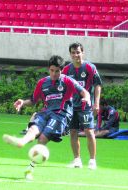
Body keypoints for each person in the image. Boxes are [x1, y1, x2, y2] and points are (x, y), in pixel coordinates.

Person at [3, 55, 91, 180]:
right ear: (48, 69)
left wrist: (86, 98)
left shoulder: (68, 81)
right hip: (45, 112)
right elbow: (33, 101)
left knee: (43, 138)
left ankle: (30, 169)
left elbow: (84, 92)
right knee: (33, 129)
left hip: (61, 114)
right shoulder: (42, 83)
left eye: (57, 71)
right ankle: (21, 142)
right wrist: (23, 102)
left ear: (62, 70)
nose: (54, 73)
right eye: (52, 70)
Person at [62, 42, 102, 170]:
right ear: (70, 54)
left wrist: (96, 103)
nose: (76, 55)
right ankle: (77, 160)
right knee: (73, 132)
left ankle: (92, 161)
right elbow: (62, 88)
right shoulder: (67, 70)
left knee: (89, 131)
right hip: (71, 106)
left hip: (86, 106)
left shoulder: (90, 67)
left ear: (82, 52)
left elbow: (97, 85)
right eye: (73, 53)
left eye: (78, 52)